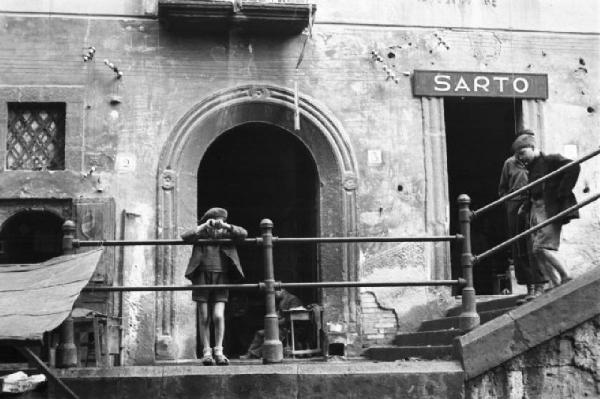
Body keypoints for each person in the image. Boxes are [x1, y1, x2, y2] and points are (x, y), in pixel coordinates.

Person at [512, 133, 580, 291]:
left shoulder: (550, 160)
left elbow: (573, 166)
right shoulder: (532, 168)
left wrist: (561, 192)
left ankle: (566, 276)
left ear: (533, 148)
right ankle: (555, 283)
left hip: (550, 209)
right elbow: (534, 191)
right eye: (518, 155)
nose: (521, 158)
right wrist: (526, 206)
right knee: (537, 251)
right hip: (537, 210)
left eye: (522, 153)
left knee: (543, 247)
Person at [181, 207, 247, 366]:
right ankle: (206, 352)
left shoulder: (227, 234)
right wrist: (204, 227)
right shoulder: (202, 234)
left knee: (218, 315)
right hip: (202, 276)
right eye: (215, 223)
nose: (217, 229)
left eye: (222, 223)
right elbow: (185, 236)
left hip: (221, 276)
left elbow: (244, 234)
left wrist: (226, 227)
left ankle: (219, 350)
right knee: (204, 316)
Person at [498, 129, 547, 301]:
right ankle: (529, 289)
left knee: (533, 243)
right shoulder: (509, 164)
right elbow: (502, 189)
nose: (521, 155)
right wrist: (509, 201)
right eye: (519, 151)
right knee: (519, 246)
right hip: (514, 206)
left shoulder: (538, 161)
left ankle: (540, 285)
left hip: (533, 204)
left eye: (524, 150)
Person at [239, 288, 303, 360]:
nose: (275, 295)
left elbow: (291, 317)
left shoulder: (293, 299)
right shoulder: (281, 300)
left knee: (270, 337)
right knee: (259, 333)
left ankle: (254, 354)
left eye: (275, 292)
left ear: (281, 290)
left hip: (287, 327)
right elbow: (278, 314)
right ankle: (250, 353)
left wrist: (274, 323)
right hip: (278, 326)